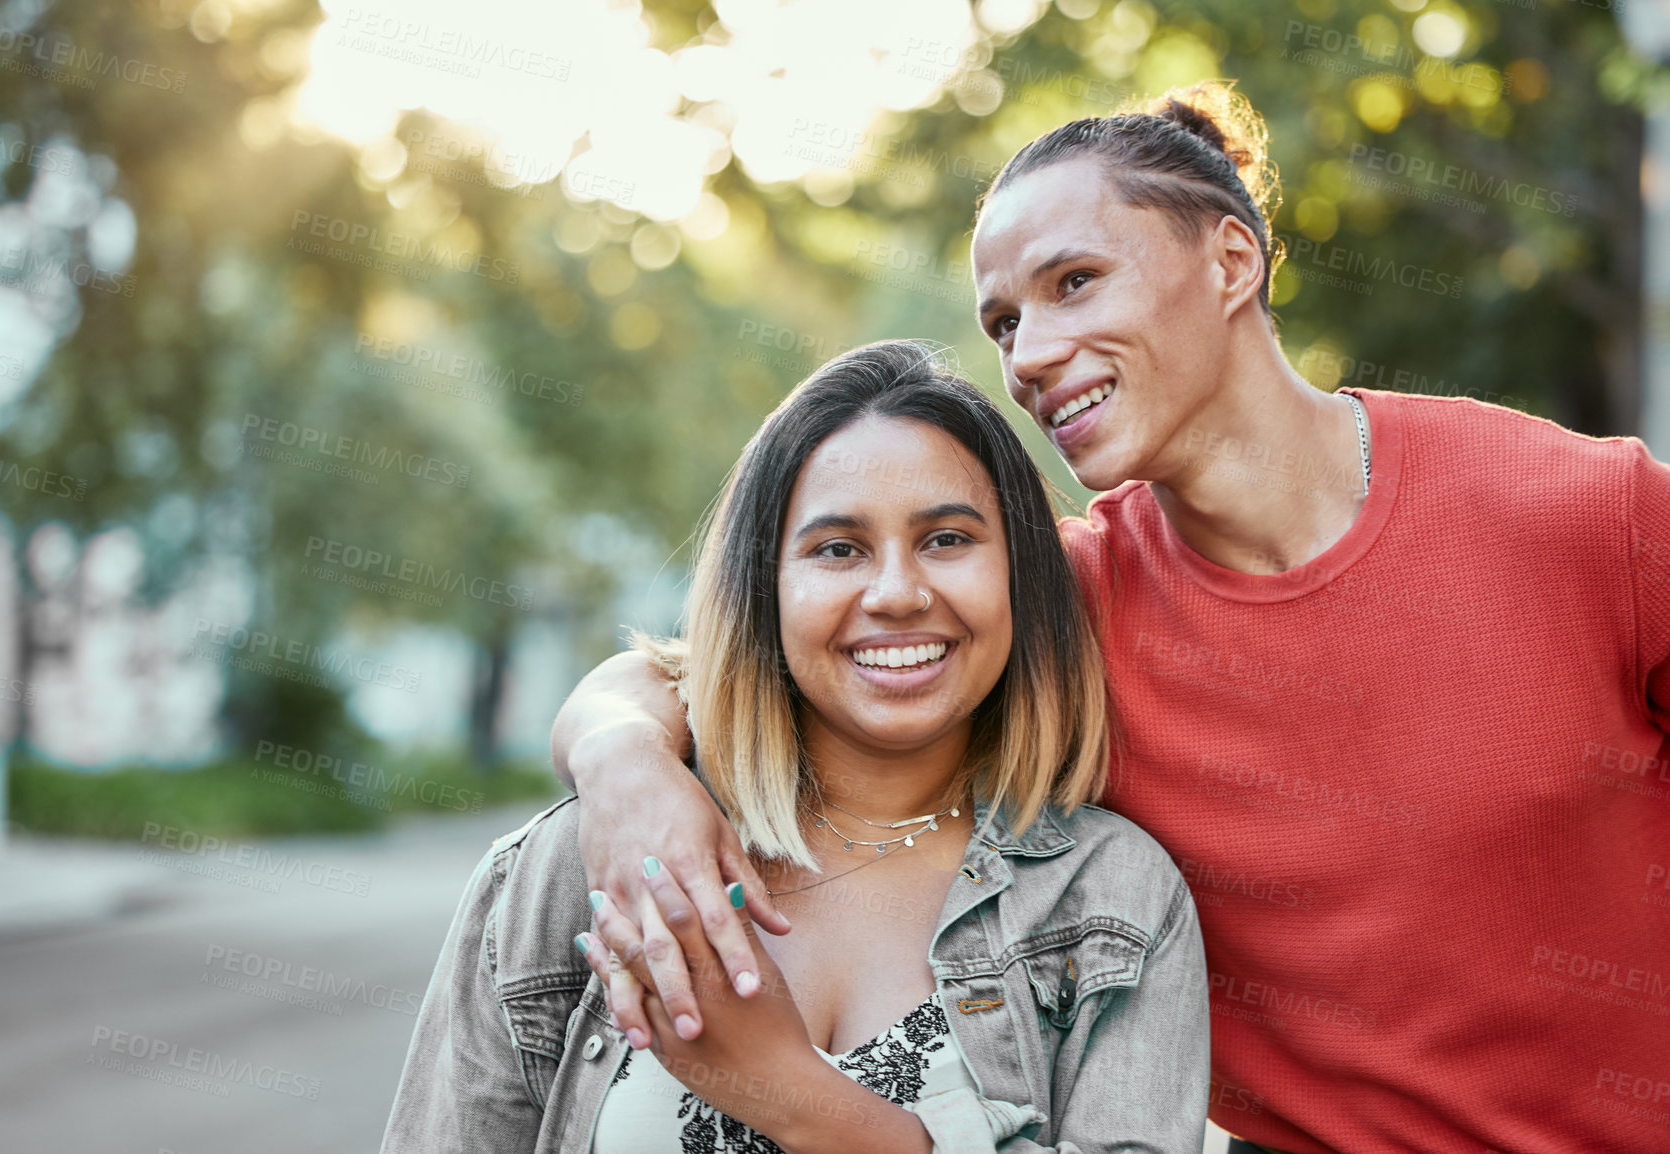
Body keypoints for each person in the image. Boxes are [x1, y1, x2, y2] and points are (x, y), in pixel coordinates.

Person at [551, 81, 1670, 1154]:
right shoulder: (1060, 606)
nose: (1028, 357)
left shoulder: (1584, 513)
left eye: (1074, 281)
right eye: (1002, 319)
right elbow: (706, 665)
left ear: (1232, 258)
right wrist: (623, 765)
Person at [384, 341, 1211, 1154]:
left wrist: (793, 1096)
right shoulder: (582, 864)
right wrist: (621, 752)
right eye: (837, 548)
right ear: (765, 588)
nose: (895, 593)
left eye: (947, 539)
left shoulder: (1112, 903)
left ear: (1020, 577)